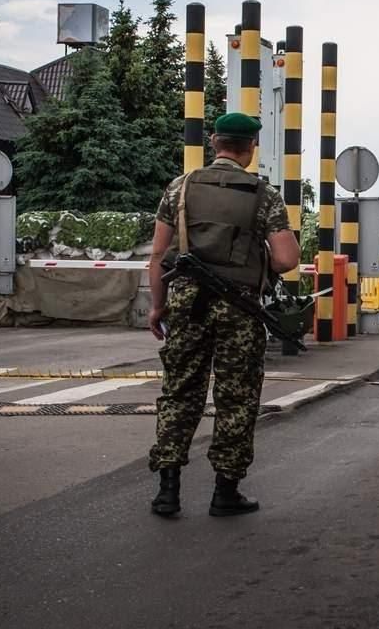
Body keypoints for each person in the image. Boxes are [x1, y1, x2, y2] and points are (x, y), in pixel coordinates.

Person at [146, 112, 300, 518]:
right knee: (237, 398)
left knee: (179, 392)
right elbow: (286, 259)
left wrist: (158, 306)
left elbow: (158, 255)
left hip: (186, 304)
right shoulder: (263, 195)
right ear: (251, 148)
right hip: (239, 309)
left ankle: (167, 491)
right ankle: (225, 492)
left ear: (214, 142)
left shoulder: (180, 187)